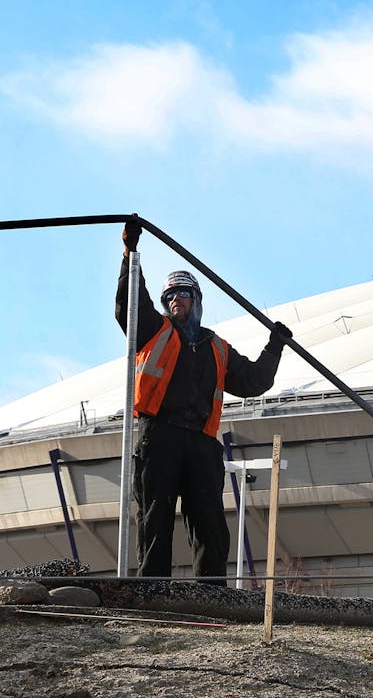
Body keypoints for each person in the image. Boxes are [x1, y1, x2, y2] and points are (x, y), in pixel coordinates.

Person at [116, 220, 291, 582]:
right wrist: (131, 254)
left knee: (209, 522)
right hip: (158, 437)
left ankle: (212, 595)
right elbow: (130, 304)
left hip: (200, 442)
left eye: (180, 293)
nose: (172, 300)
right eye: (168, 296)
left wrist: (275, 345)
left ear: (196, 299)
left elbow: (255, 380)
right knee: (155, 518)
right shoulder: (152, 330)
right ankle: (154, 593)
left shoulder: (218, 349)